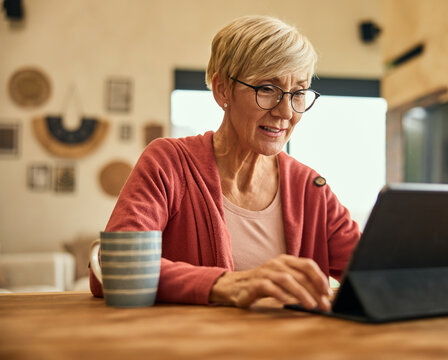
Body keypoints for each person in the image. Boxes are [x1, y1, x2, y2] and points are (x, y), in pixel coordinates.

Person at [90, 15, 360, 311]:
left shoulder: (310, 187)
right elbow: (114, 268)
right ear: (222, 90)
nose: (286, 111)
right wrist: (226, 284)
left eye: (298, 93)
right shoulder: (168, 162)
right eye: (267, 89)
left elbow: (375, 271)